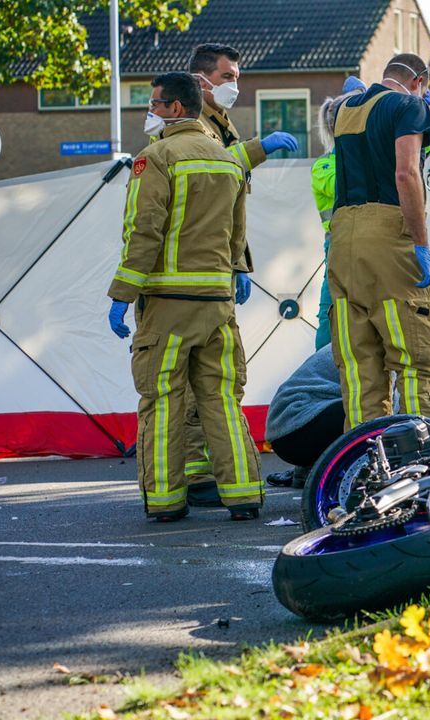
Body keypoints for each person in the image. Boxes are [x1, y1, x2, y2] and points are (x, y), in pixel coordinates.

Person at [108, 72, 262, 521]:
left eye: (154, 104)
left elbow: (143, 232)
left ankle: (166, 501)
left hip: (167, 304)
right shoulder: (228, 161)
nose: (150, 111)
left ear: (176, 108)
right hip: (217, 304)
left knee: (162, 401)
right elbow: (237, 237)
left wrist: (122, 293)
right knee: (221, 399)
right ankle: (244, 496)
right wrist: (234, 274)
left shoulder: (154, 159)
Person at [178, 43, 297, 507]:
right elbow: (214, 182)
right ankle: (197, 476)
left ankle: (203, 471)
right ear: (201, 79)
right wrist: (258, 149)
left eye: (236, 76)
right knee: (198, 379)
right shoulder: (192, 128)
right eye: (227, 76)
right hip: (196, 272)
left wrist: (240, 264)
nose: (234, 85)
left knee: (217, 377)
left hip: (217, 267)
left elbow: (230, 209)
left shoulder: (219, 123)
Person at [328, 53, 430, 429]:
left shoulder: (345, 109)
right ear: (419, 80)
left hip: (343, 238)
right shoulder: (408, 106)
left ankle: (362, 465)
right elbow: (406, 173)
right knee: (418, 357)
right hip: (388, 237)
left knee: (358, 368)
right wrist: (421, 243)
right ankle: (423, 459)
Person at [310, 77, 368, 351]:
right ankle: (323, 375)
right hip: (339, 249)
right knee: (330, 317)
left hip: (371, 245)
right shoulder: (324, 166)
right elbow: (345, 185)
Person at [265, 346, 344, 488]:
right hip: (299, 425)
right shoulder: (373, 349)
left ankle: (309, 469)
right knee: (368, 412)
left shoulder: (352, 339)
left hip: (285, 431)